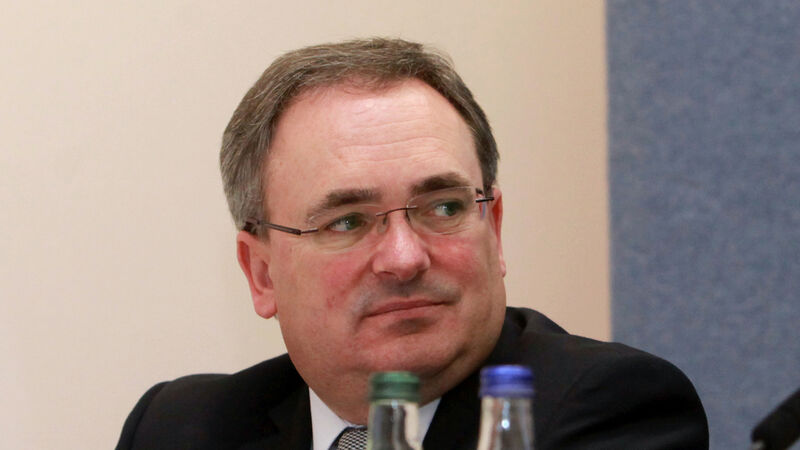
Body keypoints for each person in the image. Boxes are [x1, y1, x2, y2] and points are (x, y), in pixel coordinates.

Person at [116, 38, 708, 449]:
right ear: (262, 274)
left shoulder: (608, 409)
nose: (404, 258)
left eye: (444, 208)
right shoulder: (181, 429)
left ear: (494, 228)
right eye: (347, 221)